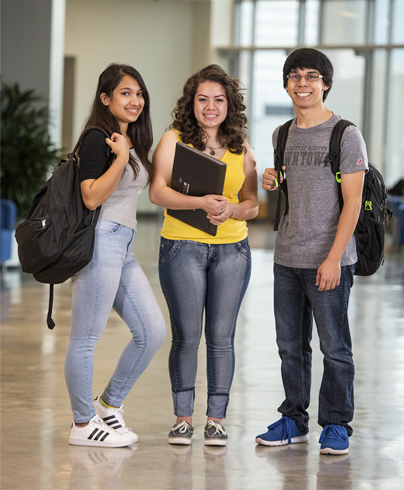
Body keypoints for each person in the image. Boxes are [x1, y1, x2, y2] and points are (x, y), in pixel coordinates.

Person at [255, 48, 368, 455]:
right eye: (295, 76)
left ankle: (336, 424)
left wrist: (334, 258)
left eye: (312, 76)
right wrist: (272, 180)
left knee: (334, 347)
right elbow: (291, 188)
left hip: (328, 259)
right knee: (290, 346)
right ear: (286, 83)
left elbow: (352, 203)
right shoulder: (281, 134)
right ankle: (293, 419)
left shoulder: (345, 133)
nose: (303, 83)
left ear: (325, 84)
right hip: (286, 256)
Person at [149, 64, 258, 446]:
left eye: (218, 100)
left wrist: (230, 210)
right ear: (190, 103)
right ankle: (182, 419)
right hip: (182, 246)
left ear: (230, 104)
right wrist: (199, 201)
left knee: (221, 337)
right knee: (186, 336)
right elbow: (157, 192)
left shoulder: (241, 148)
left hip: (232, 250)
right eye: (202, 99)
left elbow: (252, 205)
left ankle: (216, 420)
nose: (210, 107)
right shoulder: (173, 140)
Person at [65, 64, 166, 447]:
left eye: (139, 93)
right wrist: (121, 158)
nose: (135, 100)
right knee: (86, 337)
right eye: (125, 93)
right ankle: (81, 424)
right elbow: (90, 195)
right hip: (101, 240)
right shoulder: (98, 138)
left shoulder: (129, 139)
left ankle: (109, 405)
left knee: (153, 330)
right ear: (106, 98)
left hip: (122, 245)